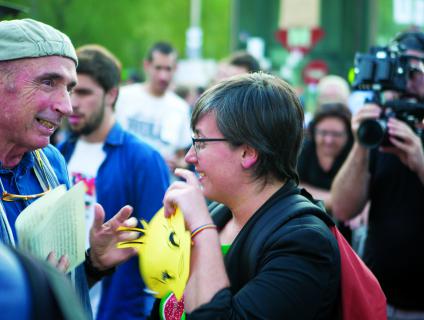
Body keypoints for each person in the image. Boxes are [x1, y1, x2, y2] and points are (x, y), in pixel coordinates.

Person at [156, 72, 341, 319]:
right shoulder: (218, 213)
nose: (189, 156)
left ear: (247, 153)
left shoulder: (304, 241)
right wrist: (97, 266)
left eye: (200, 141)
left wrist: (202, 229)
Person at [0, 18, 138, 319]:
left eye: (70, 88)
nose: (67, 105)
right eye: (48, 82)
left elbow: (63, 288)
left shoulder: (51, 161)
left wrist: (93, 265)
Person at [58, 44, 170, 319]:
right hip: (64, 303)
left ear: (112, 94)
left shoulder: (143, 159)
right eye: (69, 91)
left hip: (118, 309)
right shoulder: (57, 154)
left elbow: (160, 248)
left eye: (84, 92)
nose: (73, 102)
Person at [331, 31, 424, 319]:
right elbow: (343, 207)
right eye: (400, 69)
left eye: (416, 70)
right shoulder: (380, 127)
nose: (407, 79)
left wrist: (420, 162)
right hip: (379, 298)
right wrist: (362, 143)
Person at [115, 42, 192, 177]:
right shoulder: (124, 96)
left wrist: (177, 164)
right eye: (158, 68)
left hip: (159, 184)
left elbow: (183, 158)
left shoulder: (180, 108)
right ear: (147, 65)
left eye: (168, 69)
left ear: (175, 69)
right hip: (122, 177)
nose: (163, 76)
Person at [298, 103, 355, 242]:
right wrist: (336, 200)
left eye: (336, 134)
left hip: (348, 227)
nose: (328, 140)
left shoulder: (354, 153)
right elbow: (293, 187)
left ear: (348, 135)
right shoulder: (304, 149)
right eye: (323, 133)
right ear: (313, 131)